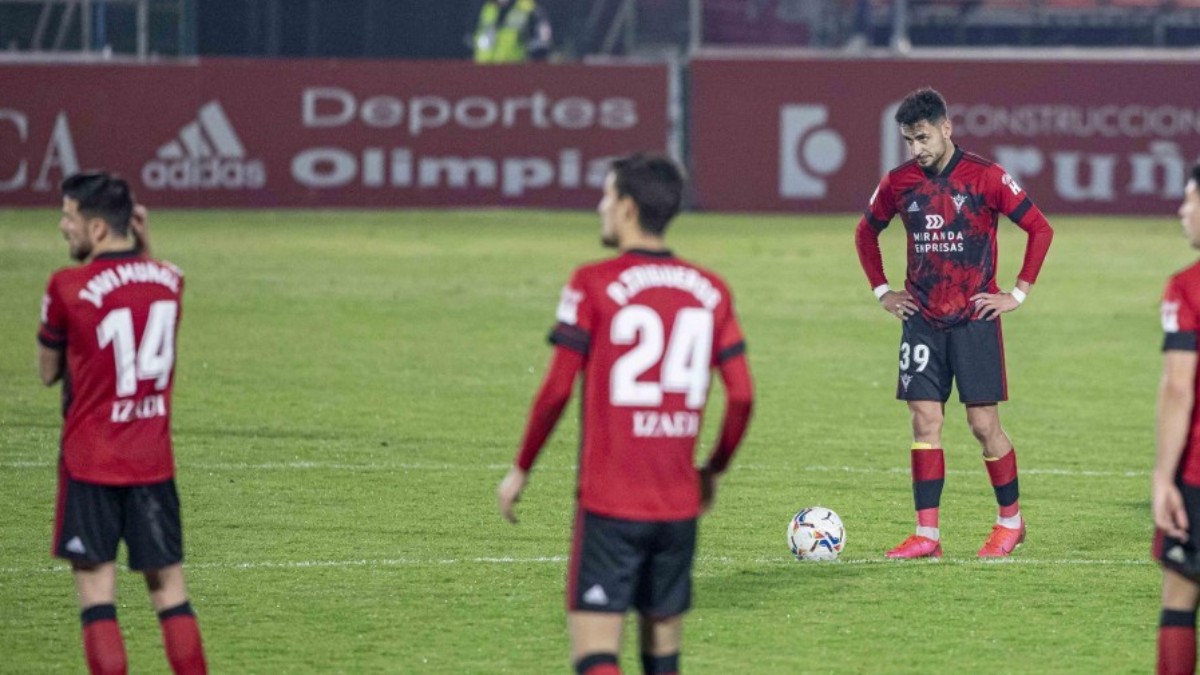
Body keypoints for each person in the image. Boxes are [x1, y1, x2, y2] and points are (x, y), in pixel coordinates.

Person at [496, 153, 754, 675]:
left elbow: (555, 390)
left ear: (629, 208)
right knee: (663, 659)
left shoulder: (591, 282)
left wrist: (522, 466)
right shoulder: (712, 290)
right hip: (678, 505)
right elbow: (743, 395)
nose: (601, 207)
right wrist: (713, 471)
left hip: (610, 502)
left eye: (608, 197)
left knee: (595, 655)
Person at [854, 87, 1054, 559]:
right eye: (908, 140)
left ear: (946, 128)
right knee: (925, 420)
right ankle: (928, 535)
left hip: (974, 317)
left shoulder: (986, 177)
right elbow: (866, 232)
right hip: (921, 319)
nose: (916, 149)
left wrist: (1018, 293)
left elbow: (1039, 228)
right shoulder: (899, 183)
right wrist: (884, 292)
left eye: (922, 137)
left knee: (983, 425)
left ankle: (1011, 521)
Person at [37, 172, 206, 674]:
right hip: (153, 465)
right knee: (170, 592)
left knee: (97, 595)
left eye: (70, 217)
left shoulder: (67, 286)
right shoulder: (169, 281)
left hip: (91, 461)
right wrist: (144, 242)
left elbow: (48, 373)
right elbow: (153, 274)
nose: (63, 226)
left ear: (98, 229)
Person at [1153, 164, 1200, 675]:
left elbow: (1177, 388)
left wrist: (1163, 477)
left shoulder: (1188, 287)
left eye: (1191, 199)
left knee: (1181, 594)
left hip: (1197, 475)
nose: (1183, 210)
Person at [473, 0, 552, 63]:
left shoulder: (527, 8)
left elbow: (541, 41)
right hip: (485, 69)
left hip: (513, 69)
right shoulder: (488, 8)